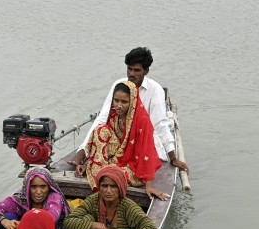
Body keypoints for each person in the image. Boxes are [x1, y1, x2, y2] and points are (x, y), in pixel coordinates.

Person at [70, 46, 189, 176]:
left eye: (137, 70)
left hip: (140, 142)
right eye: (129, 69)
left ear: (146, 71)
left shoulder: (155, 90)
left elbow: (160, 124)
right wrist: (82, 152)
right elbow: (103, 118)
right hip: (119, 139)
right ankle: (95, 165)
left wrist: (173, 158)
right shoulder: (119, 85)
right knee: (101, 131)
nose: (131, 74)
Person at [74, 80, 166, 200]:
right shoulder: (114, 114)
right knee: (100, 130)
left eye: (124, 102)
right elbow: (103, 144)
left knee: (114, 176)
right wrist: (87, 164)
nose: (119, 105)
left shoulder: (142, 120)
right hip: (116, 158)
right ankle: (96, 168)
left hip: (134, 164)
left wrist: (149, 185)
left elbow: (147, 151)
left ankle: (99, 175)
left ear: (132, 101)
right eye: (116, 100)